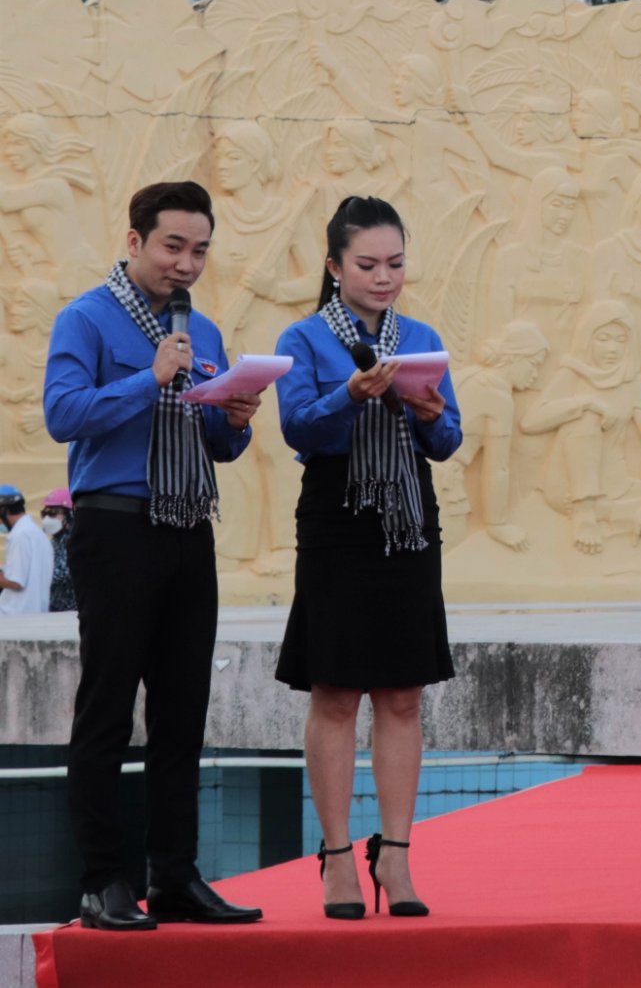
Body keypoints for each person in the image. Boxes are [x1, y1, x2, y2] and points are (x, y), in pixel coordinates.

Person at [42, 180, 267, 931]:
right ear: (135, 240)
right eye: (173, 246)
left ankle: (175, 875)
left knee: (183, 711)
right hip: (115, 529)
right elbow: (63, 414)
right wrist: (151, 378)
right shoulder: (86, 318)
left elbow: (218, 445)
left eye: (199, 250)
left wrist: (236, 417)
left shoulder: (204, 331)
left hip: (188, 527)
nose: (187, 263)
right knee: (107, 708)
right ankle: (103, 881)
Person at [275, 197, 464, 920]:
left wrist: (430, 414)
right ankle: (334, 856)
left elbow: (447, 440)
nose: (384, 277)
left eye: (395, 263)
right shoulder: (304, 337)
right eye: (367, 264)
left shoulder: (420, 337)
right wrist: (350, 395)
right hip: (337, 517)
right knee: (334, 692)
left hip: (409, 520)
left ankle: (396, 853)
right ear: (334, 266)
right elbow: (298, 428)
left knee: (403, 694)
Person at [0, 484, 53, 613]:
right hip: (35, 612)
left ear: (4, 510)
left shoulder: (19, 536)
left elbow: (16, 582)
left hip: (16, 615)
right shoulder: (37, 533)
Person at [44, 487, 77, 612]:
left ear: (70, 514)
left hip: (71, 611)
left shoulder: (75, 541)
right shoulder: (53, 541)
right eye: (45, 514)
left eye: (53, 513)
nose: (47, 519)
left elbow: (62, 572)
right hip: (54, 609)